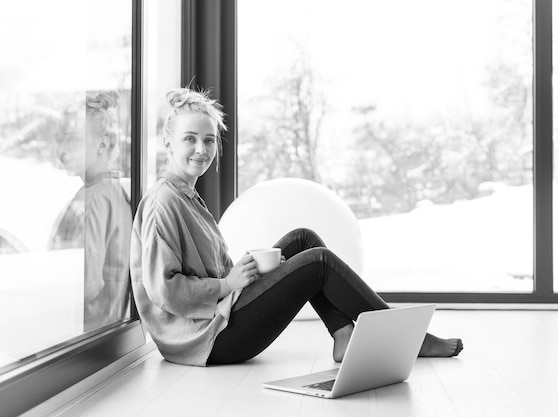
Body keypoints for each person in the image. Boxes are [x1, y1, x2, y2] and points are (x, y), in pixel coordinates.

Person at [130, 87, 463, 367]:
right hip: (208, 339)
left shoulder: (186, 195)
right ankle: (407, 338)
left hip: (218, 315)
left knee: (303, 240)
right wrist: (227, 283)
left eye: (209, 140)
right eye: (190, 139)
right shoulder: (165, 202)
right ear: (169, 144)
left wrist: (240, 276)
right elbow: (165, 289)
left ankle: (343, 333)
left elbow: (209, 273)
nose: (202, 149)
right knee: (318, 261)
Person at [50, 91, 132, 332]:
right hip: (105, 334)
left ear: (103, 144)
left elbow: (86, 284)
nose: (62, 150)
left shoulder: (94, 199)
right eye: (59, 139)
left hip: (83, 336)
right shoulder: (112, 191)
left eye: (72, 140)